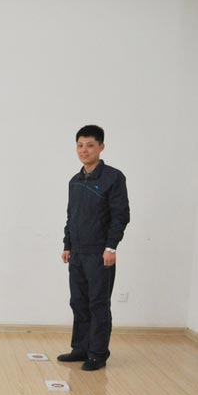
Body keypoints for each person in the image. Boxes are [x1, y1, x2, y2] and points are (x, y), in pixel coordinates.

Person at [57, 125, 130, 371]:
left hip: (100, 253)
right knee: (78, 301)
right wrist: (67, 245)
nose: (84, 150)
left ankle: (98, 354)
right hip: (77, 253)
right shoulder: (74, 181)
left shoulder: (113, 177)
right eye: (80, 145)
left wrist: (111, 247)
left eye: (90, 145)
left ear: (101, 146)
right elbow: (71, 216)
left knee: (98, 303)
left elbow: (121, 215)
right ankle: (80, 348)